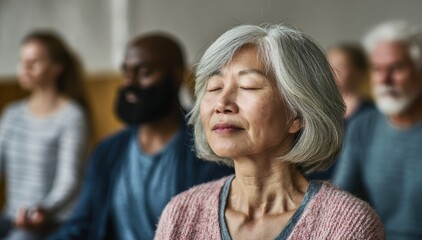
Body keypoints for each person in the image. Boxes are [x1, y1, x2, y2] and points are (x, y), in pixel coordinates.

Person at [155, 24, 385, 239]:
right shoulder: (181, 213)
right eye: (214, 87)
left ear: (298, 115)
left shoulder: (346, 226)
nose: (221, 103)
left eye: (248, 87)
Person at [50, 33, 233, 240]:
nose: (130, 83)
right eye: (126, 72)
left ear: (176, 76)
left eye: (144, 72)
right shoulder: (107, 152)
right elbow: (82, 224)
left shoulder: (208, 152)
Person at [333, 20, 422, 240]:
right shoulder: (363, 126)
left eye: (396, 68)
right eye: (377, 69)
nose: (385, 80)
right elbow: (340, 201)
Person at [0, 30, 89, 239]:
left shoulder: (72, 116)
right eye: (22, 61)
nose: (25, 68)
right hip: (12, 215)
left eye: (34, 62)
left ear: (57, 68)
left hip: (52, 219)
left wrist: (43, 209)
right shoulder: (12, 114)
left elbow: (69, 180)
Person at [307, 42, 374, 180]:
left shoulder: (372, 114)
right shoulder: (315, 111)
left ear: (359, 72)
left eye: (340, 66)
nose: (332, 71)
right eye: (328, 65)